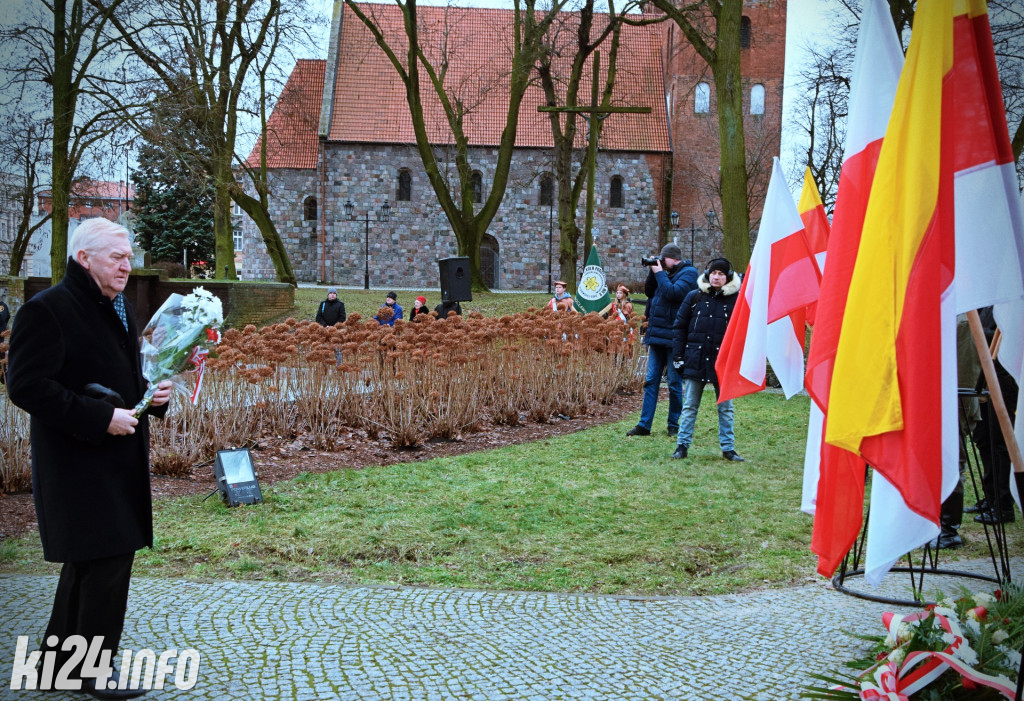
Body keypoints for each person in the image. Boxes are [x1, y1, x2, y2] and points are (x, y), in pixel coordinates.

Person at [6, 218, 174, 698]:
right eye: (116, 257)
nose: (127, 265)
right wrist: (100, 418)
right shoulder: (48, 310)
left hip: (113, 461)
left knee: (88, 561)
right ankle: (92, 669)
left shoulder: (116, 306)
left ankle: (53, 665)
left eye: (128, 257)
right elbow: (25, 386)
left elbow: (124, 374)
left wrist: (153, 396)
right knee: (105, 559)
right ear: (84, 259)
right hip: (77, 463)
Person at [670, 257, 743, 461]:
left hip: (724, 362)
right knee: (690, 405)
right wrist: (678, 356)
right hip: (696, 358)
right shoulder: (694, 297)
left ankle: (728, 448)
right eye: (713, 273)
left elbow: (743, 332)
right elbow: (679, 327)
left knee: (726, 407)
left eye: (720, 274)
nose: (716, 277)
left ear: (727, 277)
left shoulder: (736, 300)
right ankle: (682, 446)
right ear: (707, 274)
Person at [625, 243, 698, 437]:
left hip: (675, 337)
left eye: (663, 259)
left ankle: (674, 425)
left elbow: (673, 293)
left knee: (674, 382)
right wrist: (653, 272)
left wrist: (659, 273)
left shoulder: (690, 274)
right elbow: (650, 292)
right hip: (657, 336)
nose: (661, 262)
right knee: (650, 381)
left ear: (673, 258)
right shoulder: (663, 273)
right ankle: (644, 425)